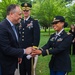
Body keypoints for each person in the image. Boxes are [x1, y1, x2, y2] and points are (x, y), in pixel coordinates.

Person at [0, 4, 32, 75]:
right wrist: (24, 51)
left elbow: (15, 43)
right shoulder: (2, 27)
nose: (21, 16)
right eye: (19, 14)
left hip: (12, 63)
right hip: (5, 66)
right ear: (11, 14)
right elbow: (6, 49)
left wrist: (18, 55)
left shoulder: (13, 26)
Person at [17, 2, 40, 75]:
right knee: (22, 70)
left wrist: (34, 49)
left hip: (30, 50)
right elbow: (19, 36)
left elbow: (36, 36)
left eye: (27, 10)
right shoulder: (20, 22)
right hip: (21, 50)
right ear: (22, 11)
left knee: (30, 70)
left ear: (30, 11)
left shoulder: (34, 22)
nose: (25, 12)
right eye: (24, 10)